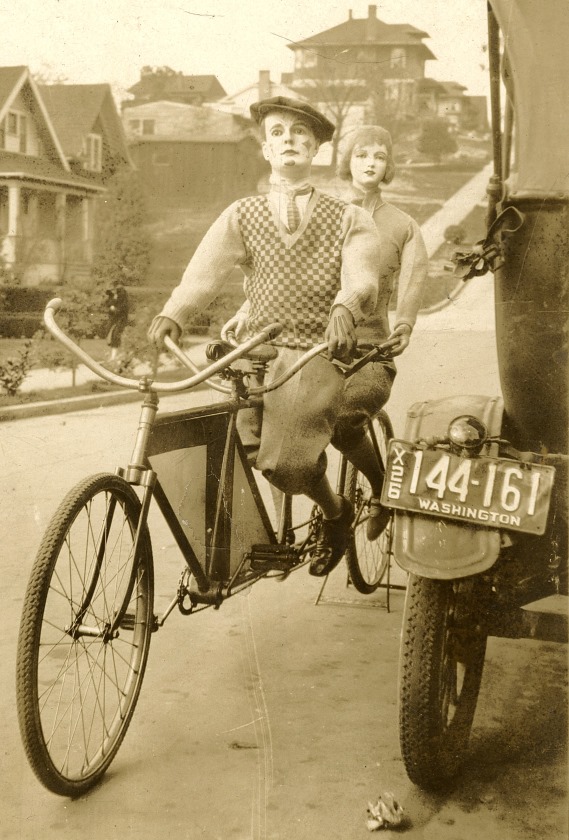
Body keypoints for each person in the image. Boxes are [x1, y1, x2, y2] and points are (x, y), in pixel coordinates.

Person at [148, 97, 386, 577]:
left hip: (314, 351)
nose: (289, 140)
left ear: (316, 149)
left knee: (289, 462)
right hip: (256, 350)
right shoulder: (242, 213)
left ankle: (335, 513)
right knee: (235, 442)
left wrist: (345, 306)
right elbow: (204, 272)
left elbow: (363, 275)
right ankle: (250, 548)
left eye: (301, 133)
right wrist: (175, 312)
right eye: (277, 133)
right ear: (265, 149)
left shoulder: (348, 217)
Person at [332, 125, 429, 539]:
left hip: (371, 351)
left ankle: (380, 487)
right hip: (317, 348)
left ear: (388, 166)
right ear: (347, 161)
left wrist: (404, 323)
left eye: (379, 156)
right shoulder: (326, 214)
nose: (370, 163)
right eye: (361, 155)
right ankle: (327, 516)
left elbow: (414, 278)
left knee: (342, 420)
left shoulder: (403, 225)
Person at [105, 283, 129, 361]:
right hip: (114, 319)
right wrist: (112, 305)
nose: (113, 292)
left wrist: (114, 308)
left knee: (116, 335)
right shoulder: (113, 297)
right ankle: (113, 356)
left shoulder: (123, 298)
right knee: (111, 335)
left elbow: (122, 309)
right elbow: (108, 304)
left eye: (114, 290)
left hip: (121, 319)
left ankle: (115, 356)